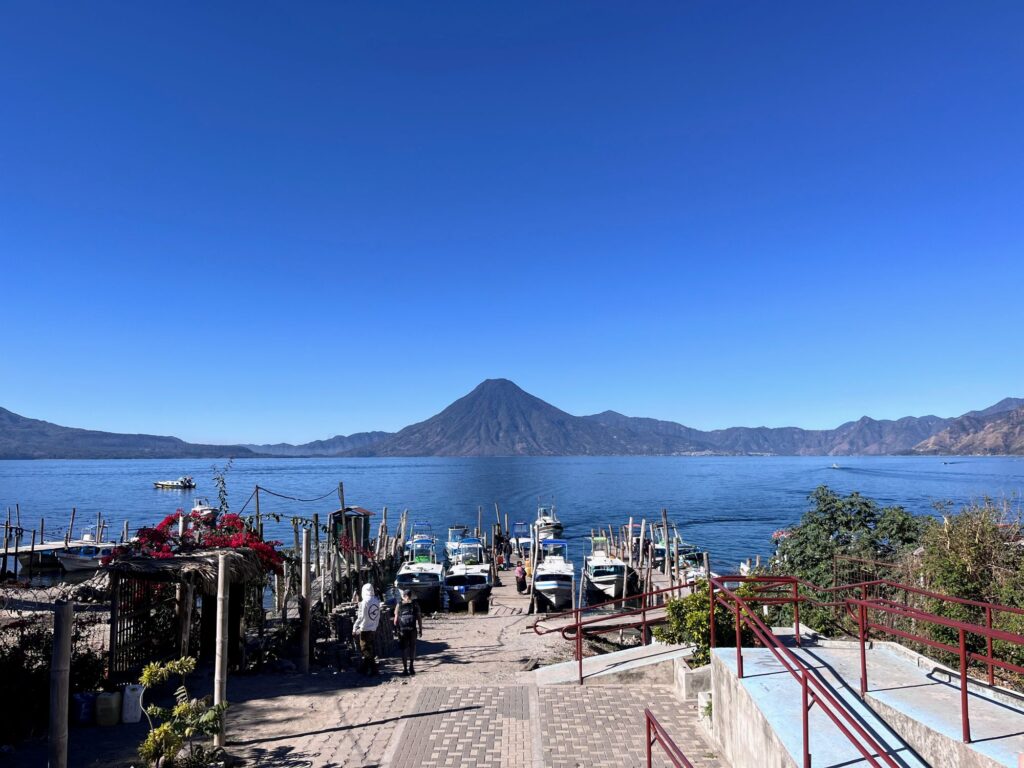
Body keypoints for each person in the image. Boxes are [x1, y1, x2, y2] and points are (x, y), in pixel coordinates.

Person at [353, 582, 382, 675]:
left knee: (364, 649)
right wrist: (375, 626)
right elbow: (377, 615)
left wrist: (354, 628)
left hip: (365, 629)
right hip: (373, 628)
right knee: (369, 648)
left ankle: (374, 669)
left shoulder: (364, 602)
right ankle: (364, 669)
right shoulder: (377, 601)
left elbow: (360, 617)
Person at [393, 589, 423, 676]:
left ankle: (405, 669)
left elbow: (395, 621)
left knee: (404, 649)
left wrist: (396, 630)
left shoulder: (399, 605)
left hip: (403, 630)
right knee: (412, 647)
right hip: (412, 629)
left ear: (404, 596)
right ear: (410, 595)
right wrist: (420, 629)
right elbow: (419, 618)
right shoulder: (415, 604)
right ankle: (412, 667)